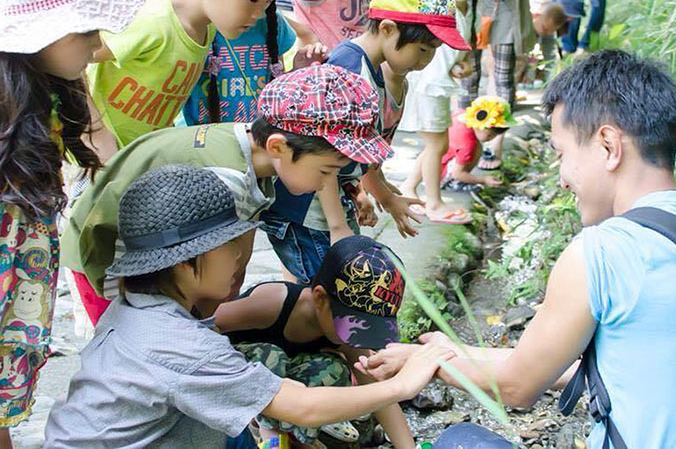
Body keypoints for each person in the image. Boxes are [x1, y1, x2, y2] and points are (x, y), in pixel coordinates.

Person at [358, 50, 676, 448]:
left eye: (562, 155)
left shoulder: (604, 252)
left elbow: (517, 387)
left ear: (608, 146)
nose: (562, 178)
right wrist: (450, 351)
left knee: (459, 441)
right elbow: (572, 366)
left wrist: (434, 364)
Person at [44, 165, 453, 448]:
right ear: (188, 263)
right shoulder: (181, 347)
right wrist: (403, 384)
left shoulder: (137, 307)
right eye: (229, 247)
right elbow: (303, 406)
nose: (241, 257)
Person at [61, 65, 390, 325]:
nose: (324, 184)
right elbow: (199, 283)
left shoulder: (243, 144)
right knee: (132, 351)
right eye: (325, 171)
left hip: (151, 266)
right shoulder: (226, 181)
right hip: (106, 260)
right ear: (278, 146)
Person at [0, 0, 143, 447]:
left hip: (25, 266)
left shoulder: (59, 84)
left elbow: (108, 155)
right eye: (86, 31)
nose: (98, 45)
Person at [264, 0, 471, 286]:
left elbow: (360, 152)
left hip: (324, 204)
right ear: (388, 29)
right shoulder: (351, 71)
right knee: (329, 293)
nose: (426, 61)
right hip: (310, 210)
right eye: (424, 50)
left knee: (312, 291)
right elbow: (325, 156)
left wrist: (381, 195)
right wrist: (338, 227)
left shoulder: (371, 70)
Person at [83, 0, 319, 161]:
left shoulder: (210, 29)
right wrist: (96, 135)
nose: (258, 14)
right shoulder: (154, 21)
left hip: (142, 159)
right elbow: (75, 59)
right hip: (99, 163)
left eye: (268, 3)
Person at [215, 235, 414, 447]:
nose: (357, 338)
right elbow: (204, 327)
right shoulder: (272, 303)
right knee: (271, 356)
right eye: (353, 326)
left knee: (332, 370)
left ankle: (295, 437)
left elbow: (382, 396)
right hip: (236, 377)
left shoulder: (343, 332)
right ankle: (264, 432)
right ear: (320, 298)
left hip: (287, 391)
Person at [181, 0, 328, 127]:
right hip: (204, 149)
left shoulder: (271, 25)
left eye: (269, 1)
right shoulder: (194, 31)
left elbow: (273, 87)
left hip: (258, 144)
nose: (259, 13)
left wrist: (296, 71)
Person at [435, 0, 539, 170]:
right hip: (470, 0)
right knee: (468, 77)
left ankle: (494, 145)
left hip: (505, 3)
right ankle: (465, 145)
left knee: (504, 76)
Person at [398, 0, 487, 224]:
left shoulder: (467, 9)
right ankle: (434, 203)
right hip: (430, 85)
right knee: (438, 144)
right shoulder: (445, 11)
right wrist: (456, 66)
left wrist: (462, 65)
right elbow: (437, 54)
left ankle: (409, 187)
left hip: (437, 83)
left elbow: (455, 53)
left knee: (434, 143)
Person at [440, 96, 513, 192]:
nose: (490, 139)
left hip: (436, 164)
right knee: (476, 148)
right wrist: (483, 180)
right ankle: (453, 183)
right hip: (441, 173)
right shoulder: (468, 144)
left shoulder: (462, 116)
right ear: (480, 126)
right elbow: (457, 173)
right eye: (490, 135)